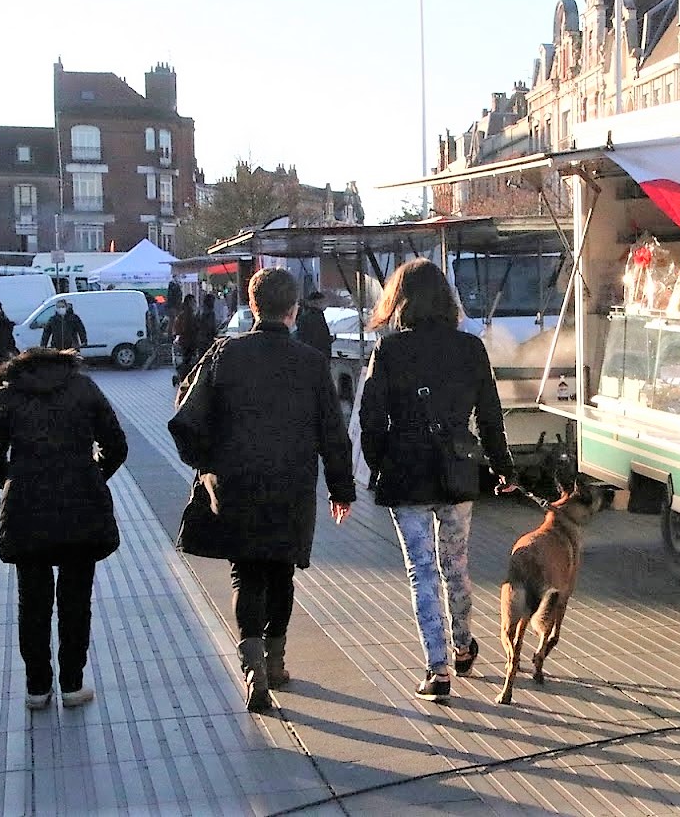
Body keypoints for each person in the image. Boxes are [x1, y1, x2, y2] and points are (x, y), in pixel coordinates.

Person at [168, 267, 356, 712]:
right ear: (293, 310)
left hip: (235, 484)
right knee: (280, 571)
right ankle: (275, 662)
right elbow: (334, 433)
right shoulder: (311, 363)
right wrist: (341, 489)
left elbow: (184, 413)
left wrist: (206, 463)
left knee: (245, 573)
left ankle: (251, 666)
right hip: (291, 485)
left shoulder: (222, 354)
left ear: (252, 307)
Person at [358, 258, 518, 701]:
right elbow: (489, 414)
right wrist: (503, 466)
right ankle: (464, 645)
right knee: (456, 562)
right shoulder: (470, 348)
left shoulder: (388, 351)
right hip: (456, 468)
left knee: (421, 571)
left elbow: (370, 419)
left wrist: (379, 465)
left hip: (406, 471)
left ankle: (437, 669)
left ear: (399, 300)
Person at [0, 348, 128, 709]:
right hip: (80, 507)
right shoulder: (84, 388)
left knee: (33, 601)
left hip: (27, 511)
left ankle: (37, 688)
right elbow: (116, 446)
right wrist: (92, 476)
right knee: (77, 600)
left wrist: (16, 482)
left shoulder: (8, 394)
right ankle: (73, 684)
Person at [293, 290, 333, 359]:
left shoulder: (309, 315)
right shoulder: (314, 317)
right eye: (322, 302)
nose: (324, 304)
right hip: (315, 354)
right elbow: (317, 337)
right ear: (316, 302)